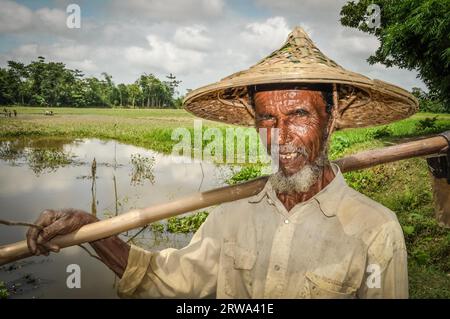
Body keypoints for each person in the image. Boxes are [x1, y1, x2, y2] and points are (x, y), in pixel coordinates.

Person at [26, 27, 418, 299]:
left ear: (331, 120)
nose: (279, 135)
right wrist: (95, 230)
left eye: (299, 114)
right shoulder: (230, 217)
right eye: (267, 118)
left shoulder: (375, 229)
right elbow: (167, 282)